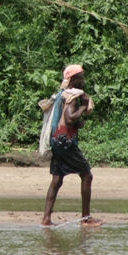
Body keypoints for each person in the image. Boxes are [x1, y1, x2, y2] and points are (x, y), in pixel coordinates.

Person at [41, 64, 103, 227]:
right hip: (66, 142)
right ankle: (86, 218)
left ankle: (46, 219)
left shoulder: (63, 94)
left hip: (57, 140)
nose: (84, 81)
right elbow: (69, 118)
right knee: (87, 176)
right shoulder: (73, 96)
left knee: (57, 180)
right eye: (81, 77)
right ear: (74, 80)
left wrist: (78, 121)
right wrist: (83, 106)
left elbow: (68, 119)